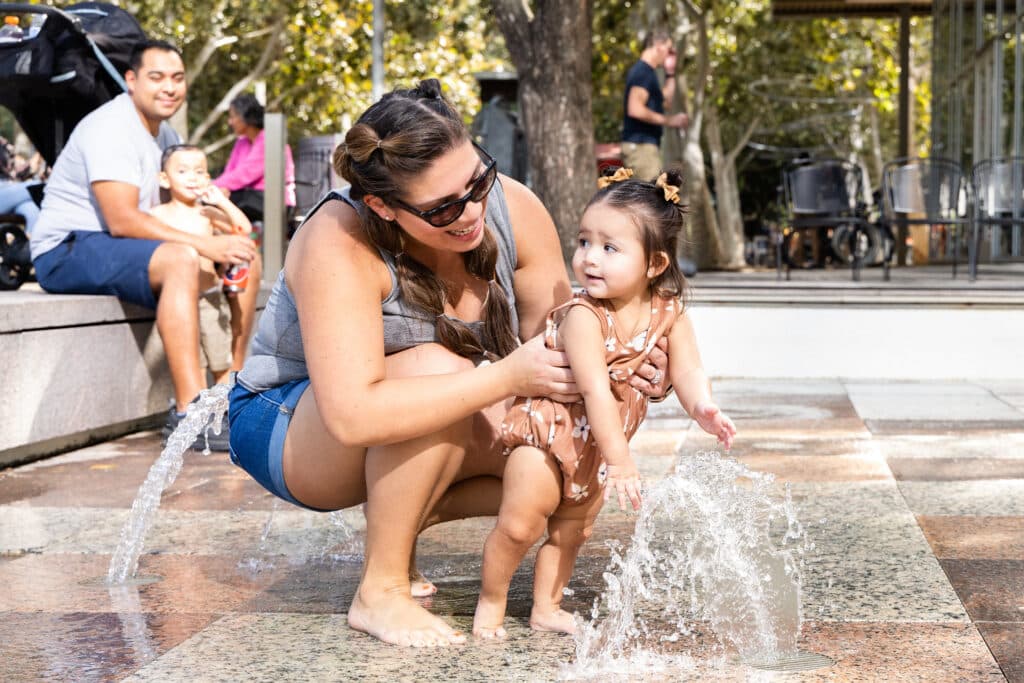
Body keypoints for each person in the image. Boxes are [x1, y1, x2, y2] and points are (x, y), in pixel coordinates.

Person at [227, 79, 670, 648]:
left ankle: (410, 514)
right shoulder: (338, 237)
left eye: (477, 181)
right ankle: (380, 590)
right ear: (383, 206)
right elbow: (353, 416)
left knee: (568, 453)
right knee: (441, 371)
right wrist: (503, 377)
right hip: (288, 424)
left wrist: (632, 363)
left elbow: (563, 346)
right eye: (442, 209)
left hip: (423, 402)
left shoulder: (513, 207)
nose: (472, 212)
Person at [472, 168, 737, 639]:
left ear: (654, 264)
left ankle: (546, 606)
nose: (589, 259)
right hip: (547, 435)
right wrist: (623, 463)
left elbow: (687, 370)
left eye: (609, 248)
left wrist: (703, 409)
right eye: (583, 242)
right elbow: (594, 389)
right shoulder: (582, 315)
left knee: (572, 532)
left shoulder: (668, 311)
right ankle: (490, 603)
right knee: (519, 525)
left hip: (597, 450)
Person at [28, 40, 259, 451]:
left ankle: (229, 395)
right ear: (131, 81)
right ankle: (189, 413)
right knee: (182, 259)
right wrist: (207, 247)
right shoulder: (111, 127)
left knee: (245, 255)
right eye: (156, 77)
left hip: (121, 245)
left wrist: (224, 234)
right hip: (67, 248)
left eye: (177, 78)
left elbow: (182, 201)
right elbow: (122, 220)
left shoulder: (165, 133)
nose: (168, 87)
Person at [150, 144, 253, 388]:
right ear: (164, 179)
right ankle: (198, 414)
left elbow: (243, 229)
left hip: (210, 299)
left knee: (221, 362)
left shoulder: (207, 213)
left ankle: (222, 415)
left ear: (207, 178)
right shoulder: (157, 215)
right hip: (179, 303)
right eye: (183, 171)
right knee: (195, 363)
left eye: (199, 172)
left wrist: (221, 202)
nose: (192, 178)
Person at [212, 93, 296, 223]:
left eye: (232, 116)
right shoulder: (241, 142)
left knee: (213, 201)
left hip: (273, 200)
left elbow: (245, 174)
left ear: (244, 116)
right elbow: (230, 173)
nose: (230, 122)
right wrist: (221, 188)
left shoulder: (269, 139)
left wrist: (210, 187)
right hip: (246, 196)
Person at [621, 29, 689, 182]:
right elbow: (635, 109)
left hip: (645, 147)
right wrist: (670, 120)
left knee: (651, 200)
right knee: (652, 201)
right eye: (668, 49)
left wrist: (670, 72)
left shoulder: (648, 73)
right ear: (659, 45)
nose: (669, 54)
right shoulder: (642, 72)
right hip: (640, 147)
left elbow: (665, 101)